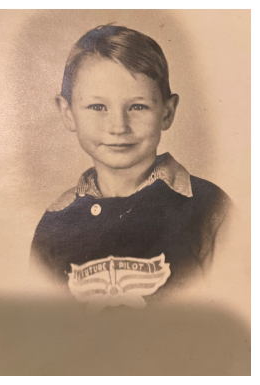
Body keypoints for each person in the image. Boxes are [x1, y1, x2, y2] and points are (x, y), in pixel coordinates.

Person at [30, 25, 233, 310]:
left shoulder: (211, 209)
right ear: (68, 113)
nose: (118, 127)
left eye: (137, 107)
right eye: (98, 107)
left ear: (167, 112)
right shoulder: (54, 224)